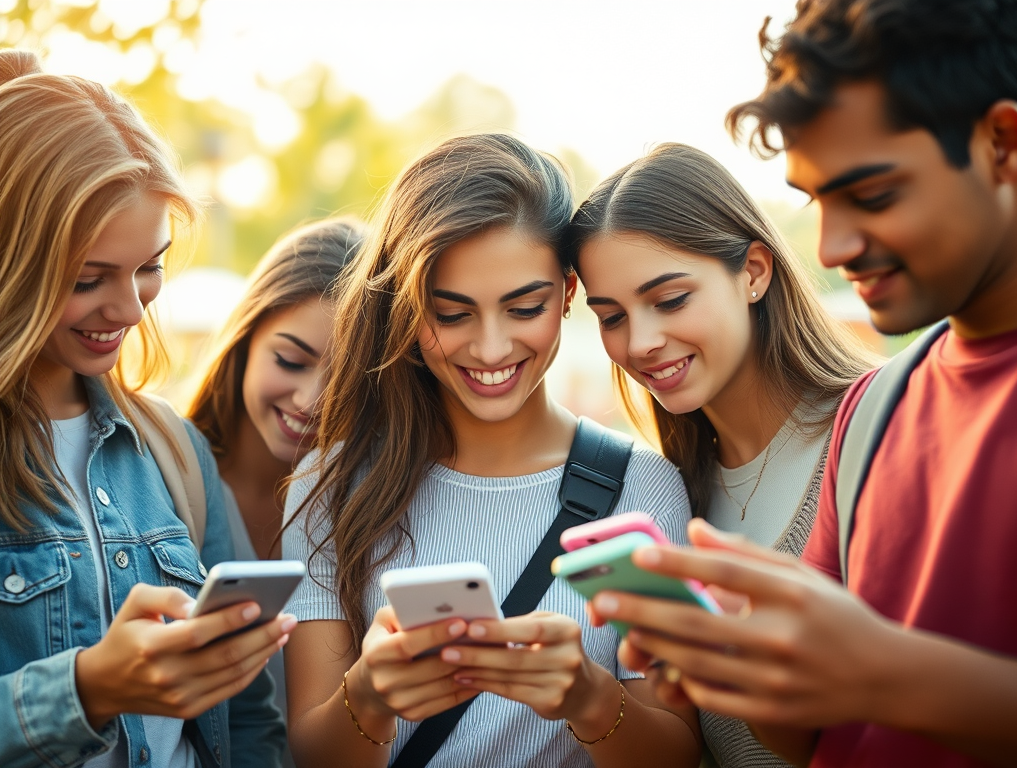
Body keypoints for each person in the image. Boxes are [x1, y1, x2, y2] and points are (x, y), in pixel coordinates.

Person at [586, 1, 1017, 766]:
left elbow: (871, 687)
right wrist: (722, 662)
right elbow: (810, 736)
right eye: (816, 199)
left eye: (875, 194)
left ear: (1004, 144)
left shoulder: (855, 415)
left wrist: (882, 671)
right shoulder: (883, 410)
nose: (830, 247)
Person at [281, 133, 701, 767]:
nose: (491, 349)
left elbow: (676, 752)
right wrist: (369, 695)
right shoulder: (333, 482)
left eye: (523, 307)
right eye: (451, 315)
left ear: (566, 294)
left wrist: (589, 699)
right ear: (406, 307)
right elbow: (314, 753)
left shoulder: (642, 488)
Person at [0, 50, 290, 766]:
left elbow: (249, 719)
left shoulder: (172, 450)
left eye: (150, 267)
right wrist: (88, 688)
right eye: (89, 278)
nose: (130, 309)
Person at [563, 142, 874, 767]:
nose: (641, 342)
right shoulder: (669, 491)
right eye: (611, 316)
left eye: (670, 300)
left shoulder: (875, 427)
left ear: (754, 271)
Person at [188, 216, 363, 768]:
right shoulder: (165, 480)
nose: (312, 400)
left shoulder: (367, 501)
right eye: (289, 360)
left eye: (346, 381)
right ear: (245, 337)